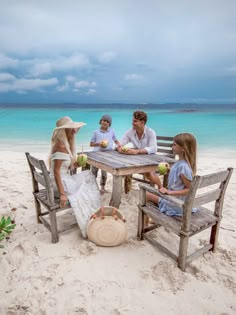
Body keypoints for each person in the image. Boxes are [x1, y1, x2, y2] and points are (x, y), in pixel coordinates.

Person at [49, 116, 101, 238]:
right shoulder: (61, 146)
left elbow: (66, 167)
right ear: (63, 131)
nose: (74, 131)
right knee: (88, 177)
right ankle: (92, 211)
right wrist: (62, 194)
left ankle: (91, 208)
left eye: (74, 129)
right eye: (70, 129)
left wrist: (78, 164)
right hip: (60, 185)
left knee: (87, 175)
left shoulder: (64, 145)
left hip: (62, 180)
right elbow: (57, 172)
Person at [146, 133, 197, 216]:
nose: (172, 147)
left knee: (146, 195)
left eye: (174, 145)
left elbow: (189, 190)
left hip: (175, 205)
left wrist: (169, 192)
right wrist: (170, 171)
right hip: (176, 202)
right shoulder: (180, 163)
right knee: (153, 193)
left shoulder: (183, 167)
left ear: (183, 149)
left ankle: (145, 225)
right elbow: (179, 179)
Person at [117, 110, 162, 188]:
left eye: (135, 121)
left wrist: (137, 151)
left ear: (142, 123)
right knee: (122, 167)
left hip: (150, 160)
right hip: (137, 160)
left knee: (148, 173)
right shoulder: (130, 132)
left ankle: (161, 188)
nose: (132, 123)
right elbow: (121, 143)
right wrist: (119, 148)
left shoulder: (151, 132)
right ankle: (127, 189)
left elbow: (154, 149)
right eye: (132, 121)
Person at [90, 114, 121, 194]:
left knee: (104, 172)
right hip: (97, 155)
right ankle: (93, 187)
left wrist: (119, 145)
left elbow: (115, 139)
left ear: (109, 124)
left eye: (107, 121)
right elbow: (91, 144)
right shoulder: (96, 132)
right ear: (101, 121)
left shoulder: (112, 131)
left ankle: (102, 187)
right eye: (104, 120)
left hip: (108, 155)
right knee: (94, 171)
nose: (105, 122)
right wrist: (99, 144)